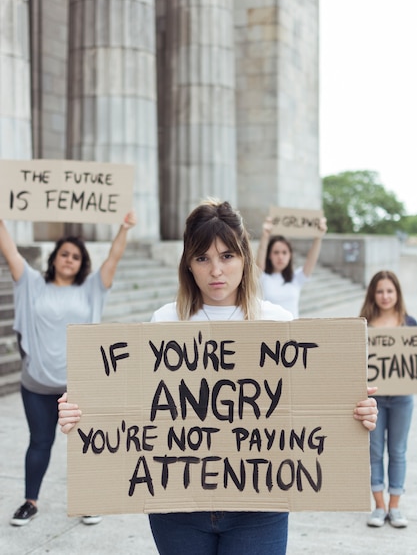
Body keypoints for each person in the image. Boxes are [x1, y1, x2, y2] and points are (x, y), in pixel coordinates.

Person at [58, 199, 378, 555]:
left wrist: (355, 411)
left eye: (227, 256)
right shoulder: (163, 322)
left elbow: (309, 405)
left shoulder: (278, 323)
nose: (216, 271)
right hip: (177, 505)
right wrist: (81, 411)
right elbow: (132, 404)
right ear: (188, 266)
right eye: (202, 258)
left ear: (245, 258)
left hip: (261, 505)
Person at [0, 211, 137, 527]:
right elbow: (9, 250)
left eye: (76, 256)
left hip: (79, 384)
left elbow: (113, 259)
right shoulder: (31, 283)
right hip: (36, 382)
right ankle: (29, 502)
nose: (69, 259)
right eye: (65, 253)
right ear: (54, 257)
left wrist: (124, 228)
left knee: (85, 443)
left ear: (82, 263)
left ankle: (89, 503)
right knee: (40, 441)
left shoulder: (92, 288)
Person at [360, 270, 416, 530]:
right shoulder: (363, 325)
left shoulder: (410, 325)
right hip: (374, 399)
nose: (385, 296)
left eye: (389, 291)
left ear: (397, 294)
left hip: (402, 398)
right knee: (373, 452)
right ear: (373, 293)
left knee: (398, 451)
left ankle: (394, 507)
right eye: (380, 291)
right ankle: (379, 506)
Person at [256, 215, 327, 318]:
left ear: (290, 255)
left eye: (284, 253)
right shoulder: (263, 277)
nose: (280, 257)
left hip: (293, 331)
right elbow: (259, 263)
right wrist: (265, 235)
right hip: (270, 331)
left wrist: (318, 237)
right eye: (276, 252)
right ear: (269, 256)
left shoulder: (296, 278)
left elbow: (311, 259)